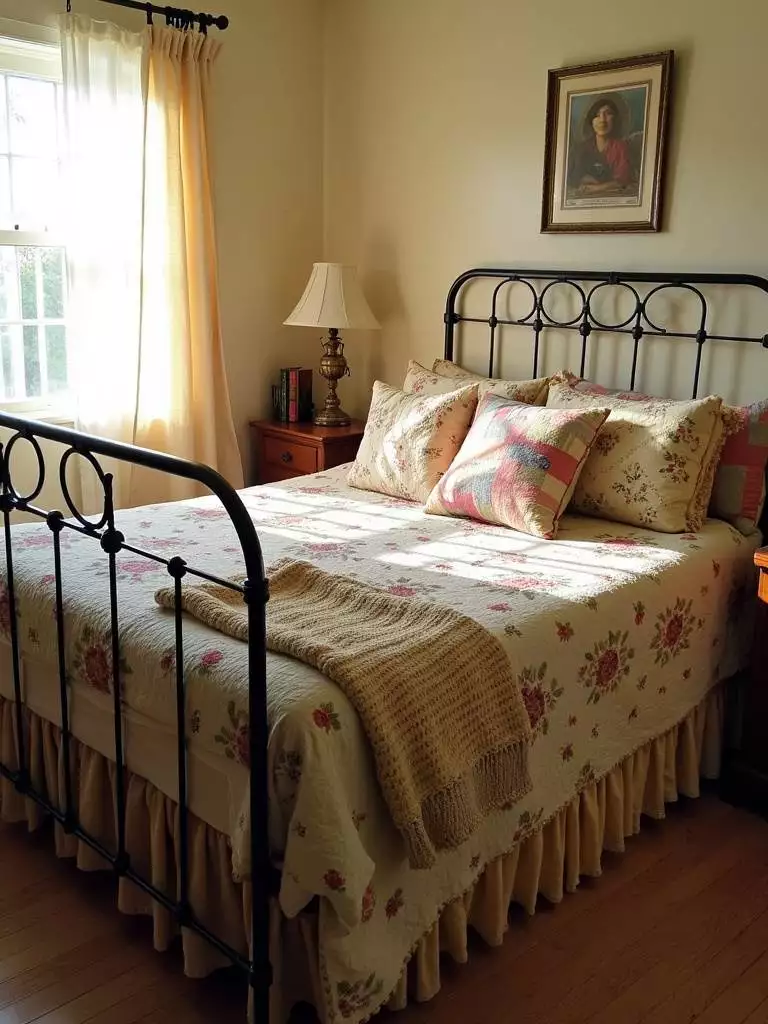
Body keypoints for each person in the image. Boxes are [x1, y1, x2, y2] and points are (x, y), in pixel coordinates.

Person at [568, 97, 634, 196]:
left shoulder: (620, 147)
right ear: (591, 120)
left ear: (615, 118)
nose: (602, 120)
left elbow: (623, 180)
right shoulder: (581, 148)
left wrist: (596, 188)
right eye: (597, 115)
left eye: (608, 114)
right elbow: (571, 177)